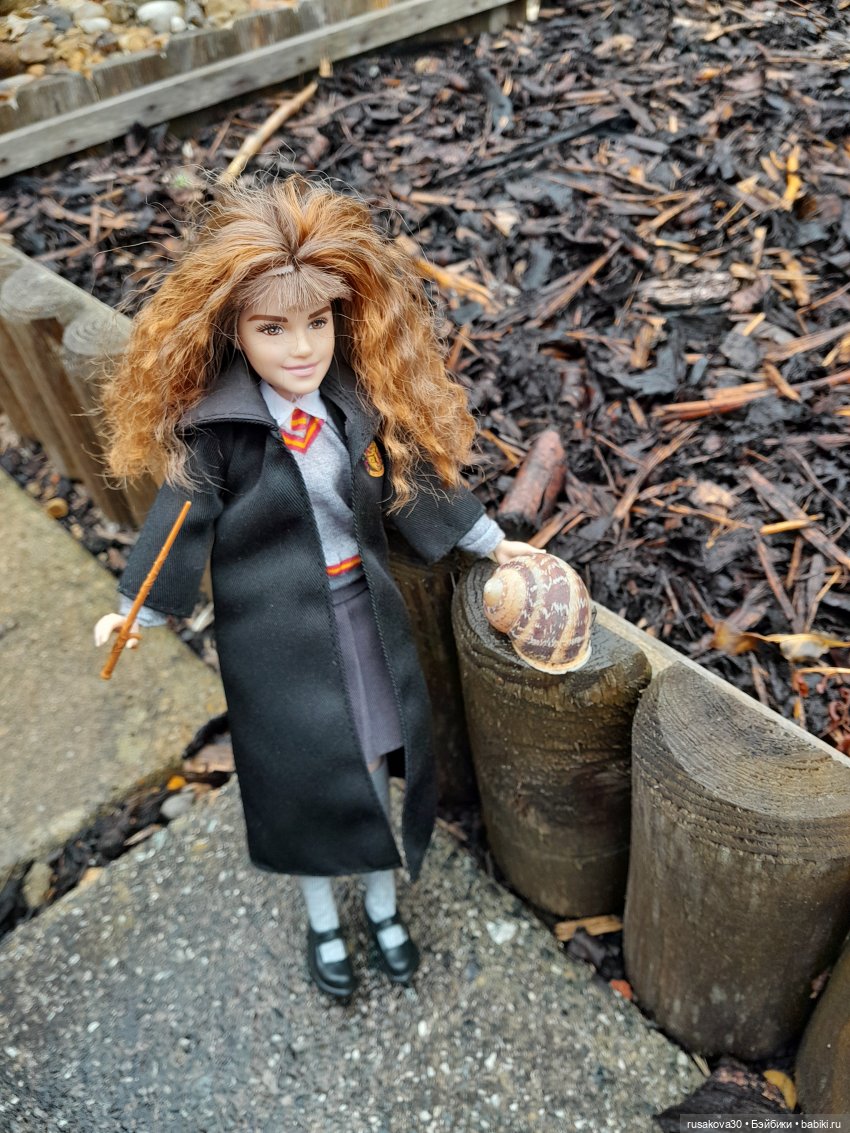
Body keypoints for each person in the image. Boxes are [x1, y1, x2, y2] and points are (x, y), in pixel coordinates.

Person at [94, 175, 540, 999]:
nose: (301, 348)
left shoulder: (351, 408)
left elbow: (414, 485)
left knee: (371, 760)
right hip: (274, 639)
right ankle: (323, 920)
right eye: (273, 328)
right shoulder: (222, 433)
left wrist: (487, 541)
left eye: (316, 322)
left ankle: (382, 905)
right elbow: (178, 521)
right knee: (298, 781)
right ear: (234, 330)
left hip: (361, 616)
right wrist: (139, 608)